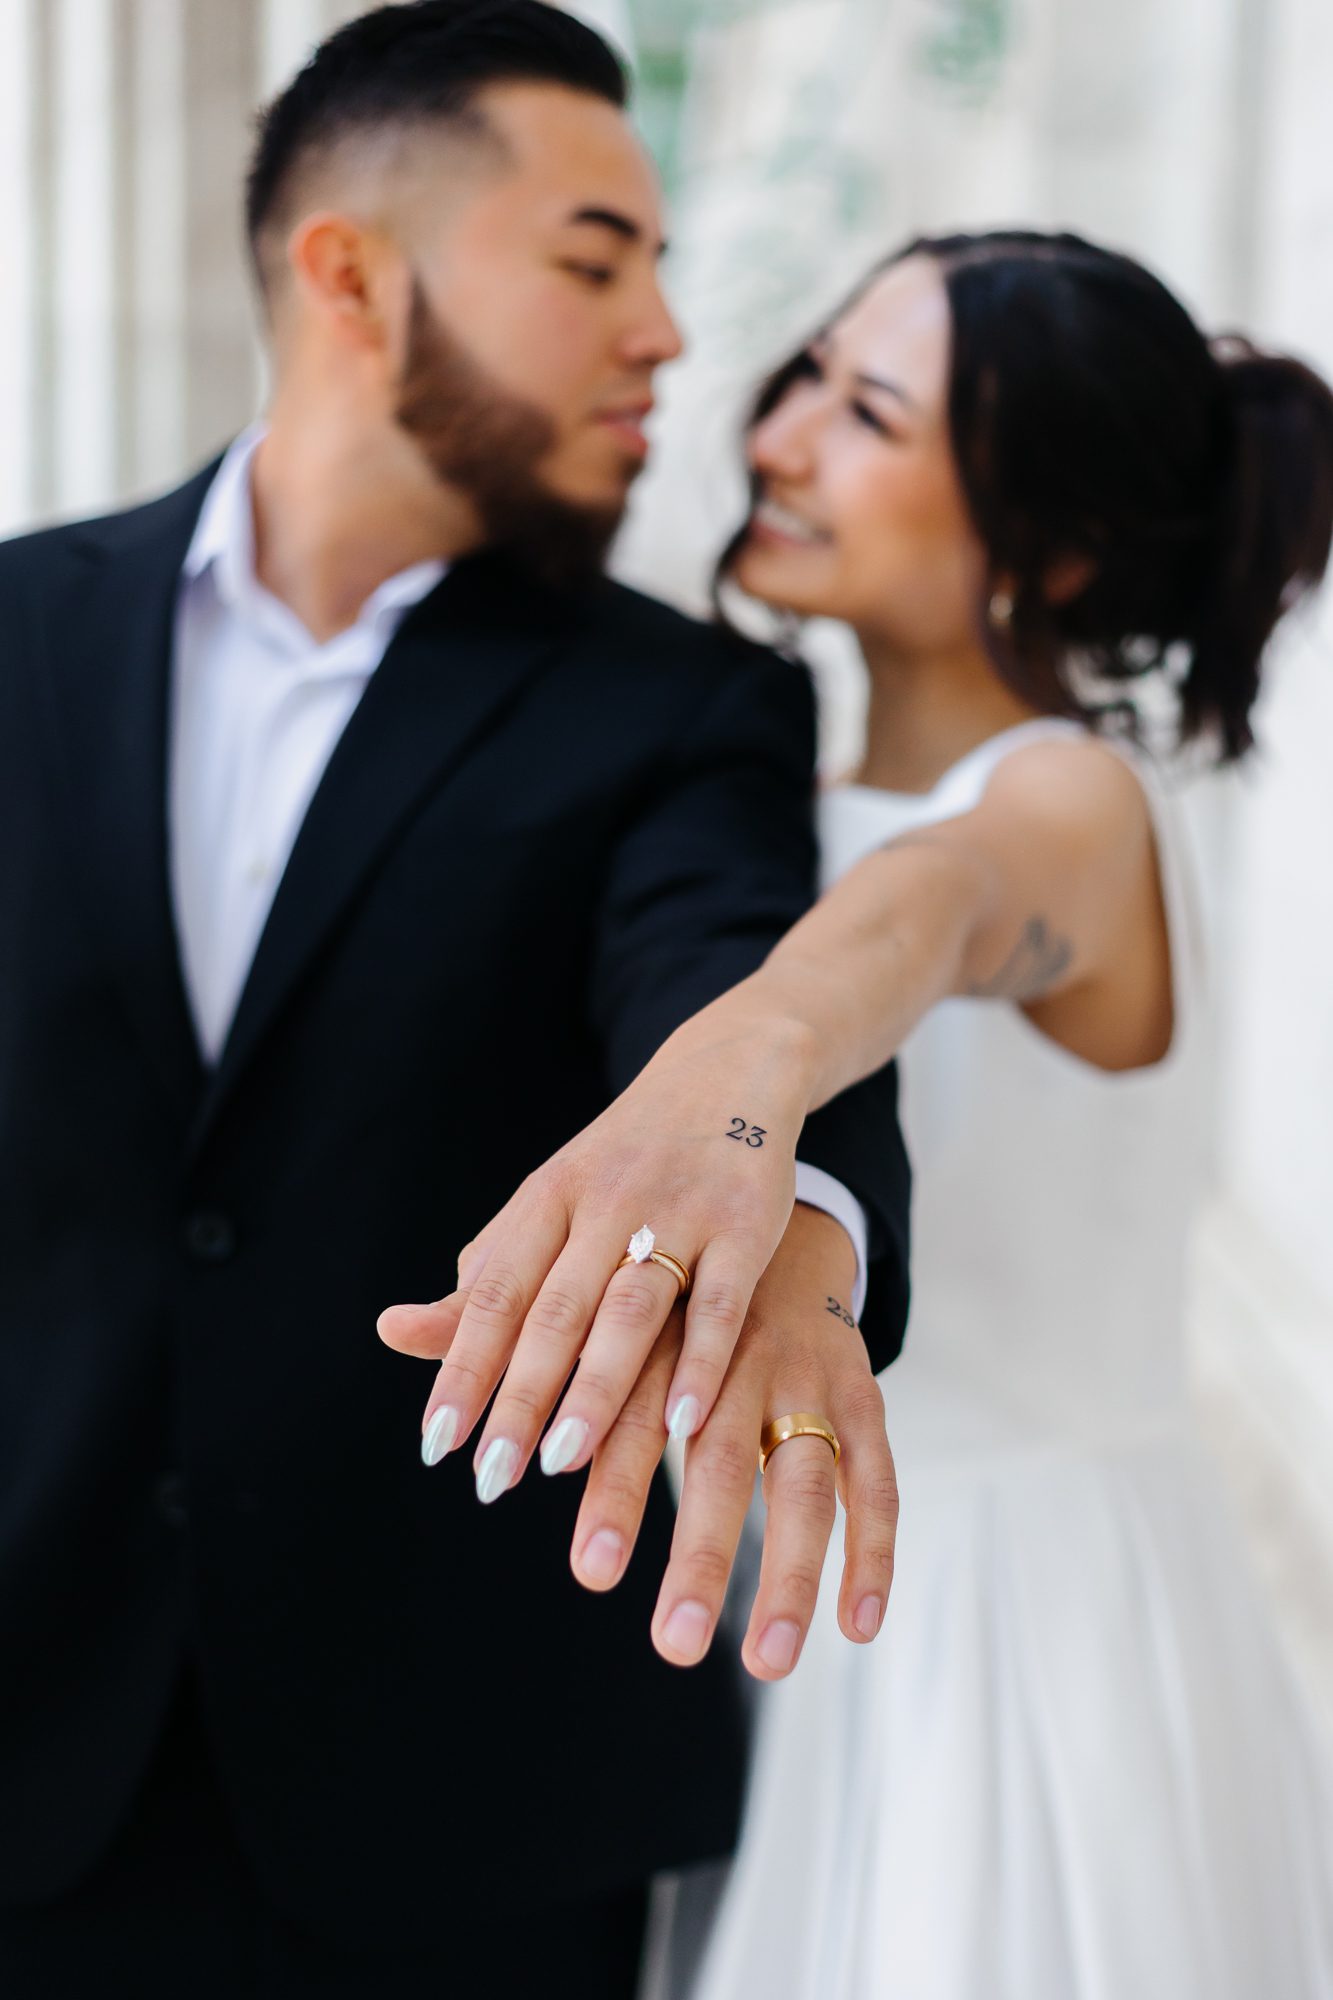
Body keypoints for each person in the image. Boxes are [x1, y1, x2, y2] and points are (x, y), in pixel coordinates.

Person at [0, 7, 912, 1995]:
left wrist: (801, 1221)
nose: (667, 331)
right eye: (597, 260)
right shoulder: (17, 628)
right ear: (351, 274)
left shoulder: (686, 707)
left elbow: (732, 979)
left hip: (462, 1805)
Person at [618, 231, 1331, 1996]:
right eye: (808, 379)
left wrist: (756, 1049)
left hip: (1013, 1632)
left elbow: (921, 914)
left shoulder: (1067, 795)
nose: (778, 442)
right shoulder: (747, 785)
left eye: (865, 415)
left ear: (1057, 545)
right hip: (805, 1630)